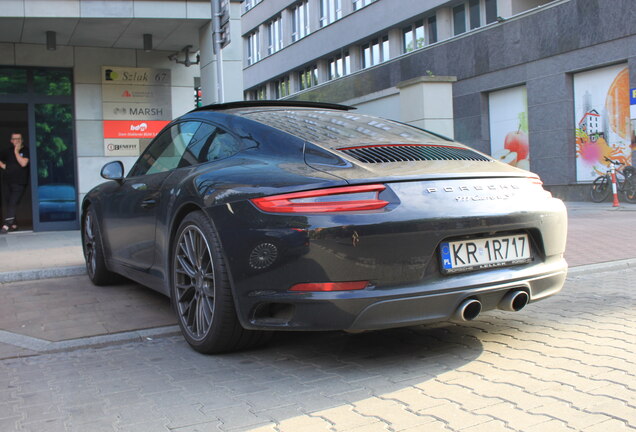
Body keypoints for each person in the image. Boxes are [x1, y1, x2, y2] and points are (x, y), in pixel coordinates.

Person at [0, 133, 30, 234]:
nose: (16, 141)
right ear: (11, 140)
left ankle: (6, 225)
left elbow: (23, 163)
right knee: (9, 203)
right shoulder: (7, 151)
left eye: (18, 139)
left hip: (20, 182)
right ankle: (14, 224)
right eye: (14, 139)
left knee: (13, 202)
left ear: (22, 140)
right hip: (7, 181)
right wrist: (3, 166)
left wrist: (16, 152)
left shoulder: (25, 150)